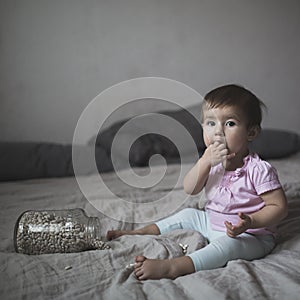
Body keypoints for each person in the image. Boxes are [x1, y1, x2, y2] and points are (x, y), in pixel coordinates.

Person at [106, 84, 288, 280]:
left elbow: (279, 207)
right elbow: (190, 188)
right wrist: (204, 163)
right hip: (211, 222)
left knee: (228, 246)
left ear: (251, 133)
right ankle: (139, 232)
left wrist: (251, 221)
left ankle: (173, 267)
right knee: (188, 214)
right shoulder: (210, 162)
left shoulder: (258, 169)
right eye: (210, 123)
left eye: (230, 124)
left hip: (250, 236)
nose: (218, 132)